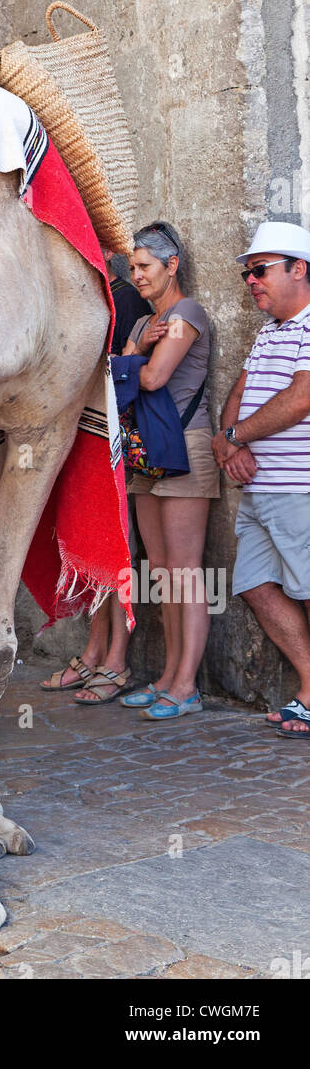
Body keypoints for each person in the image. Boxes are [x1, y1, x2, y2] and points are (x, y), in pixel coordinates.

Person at [212, 221, 310, 739]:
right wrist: (229, 443)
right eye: (248, 273)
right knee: (253, 583)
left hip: (300, 485)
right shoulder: (270, 330)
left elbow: (301, 398)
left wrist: (236, 434)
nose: (251, 280)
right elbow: (241, 387)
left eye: (260, 270)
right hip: (258, 486)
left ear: (299, 269)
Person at [119, 221, 219, 719]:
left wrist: (132, 361)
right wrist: (135, 351)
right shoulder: (142, 327)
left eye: (144, 266)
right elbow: (116, 378)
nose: (136, 275)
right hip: (145, 454)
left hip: (185, 448)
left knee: (184, 572)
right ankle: (166, 676)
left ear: (171, 265)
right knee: (160, 573)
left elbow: (153, 379)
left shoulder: (188, 313)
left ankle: (187, 686)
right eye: (132, 267)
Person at [42, 247, 151, 702]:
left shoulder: (124, 299)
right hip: (86, 435)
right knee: (93, 543)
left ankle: (116, 660)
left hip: (115, 439)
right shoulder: (87, 294)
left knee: (115, 547)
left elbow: (122, 376)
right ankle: (92, 650)